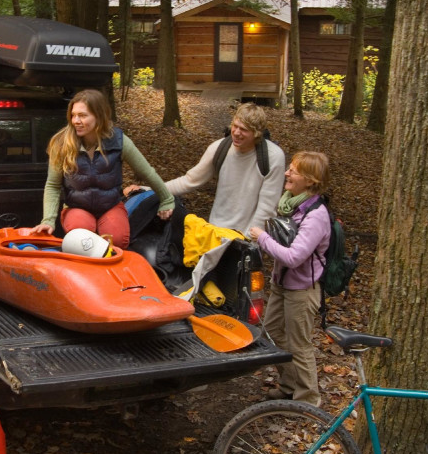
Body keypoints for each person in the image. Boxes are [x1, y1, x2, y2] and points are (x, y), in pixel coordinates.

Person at [30, 89, 174, 249]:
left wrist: (167, 199)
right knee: (83, 242)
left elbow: (146, 172)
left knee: (117, 241)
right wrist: (48, 220)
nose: (76, 120)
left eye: (82, 115)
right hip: (77, 207)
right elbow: (53, 185)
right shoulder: (62, 144)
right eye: (73, 115)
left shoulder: (119, 141)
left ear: (99, 116)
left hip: (110, 205)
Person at [248, 151, 331, 407]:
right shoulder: (292, 205)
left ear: (310, 180)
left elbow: (294, 257)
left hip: (302, 290)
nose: (287, 173)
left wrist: (262, 237)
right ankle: (289, 386)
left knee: (299, 344)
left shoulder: (316, 215)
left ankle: (308, 401)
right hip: (282, 285)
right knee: (271, 333)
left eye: (293, 171)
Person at [129, 103, 285, 236]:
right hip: (217, 229)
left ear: (257, 133)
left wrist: (251, 241)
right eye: (235, 126)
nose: (236, 133)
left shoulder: (272, 157)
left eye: (243, 130)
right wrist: (149, 189)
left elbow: (267, 207)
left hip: (249, 234)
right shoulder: (219, 148)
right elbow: (189, 181)